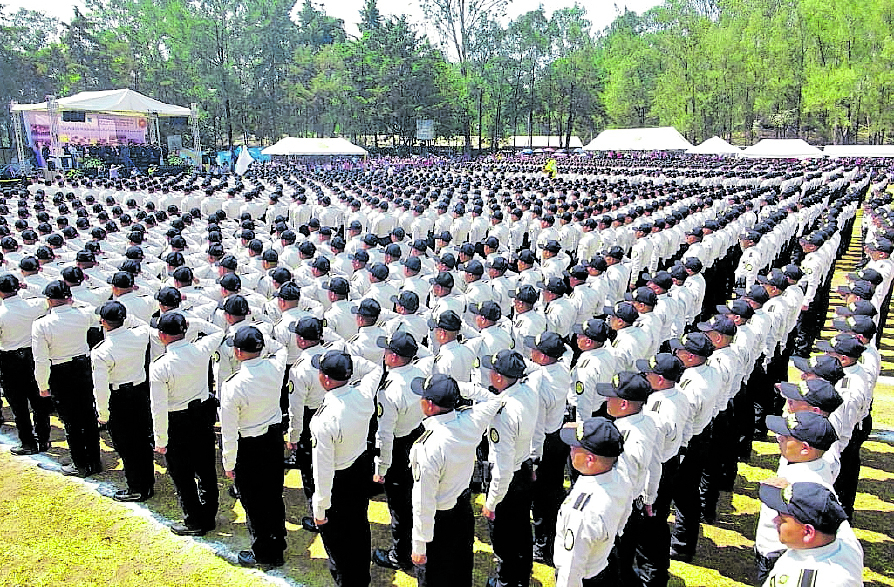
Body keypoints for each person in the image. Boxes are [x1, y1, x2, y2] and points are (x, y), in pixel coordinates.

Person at [408, 374, 501, 587]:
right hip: (462, 511)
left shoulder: (427, 446)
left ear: (430, 405)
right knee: (460, 573)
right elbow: (494, 400)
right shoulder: (470, 421)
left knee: (435, 579)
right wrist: (455, 389)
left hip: (438, 523)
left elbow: (424, 502)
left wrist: (419, 546)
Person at [462, 349, 539, 587]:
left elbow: (503, 466)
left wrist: (491, 502)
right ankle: (521, 577)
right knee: (523, 532)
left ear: (498, 376)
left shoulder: (502, 414)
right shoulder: (528, 391)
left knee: (505, 537)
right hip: (524, 467)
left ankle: (506, 581)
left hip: (508, 480)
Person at [310, 350, 383, 587]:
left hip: (338, 481)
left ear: (326, 379)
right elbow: (375, 369)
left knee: (339, 546)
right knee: (359, 528)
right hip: (360, 469)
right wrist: (350, 361)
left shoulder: (323, 419)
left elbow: (323, 471)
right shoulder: (362, 394)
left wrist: (320, 508)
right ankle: (361, 578)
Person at [149, 312, 225, 536]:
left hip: (177, 421)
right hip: (202, 416)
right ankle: (209, 515)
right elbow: (218, 332)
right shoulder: (200, 349)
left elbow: (158, 407)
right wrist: (196, 323)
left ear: (162, 336)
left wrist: (160, 439)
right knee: (206, 468)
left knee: (182, 474)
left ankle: (194, 520)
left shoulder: (160, 366)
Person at [220, 325, 288, 567]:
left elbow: (228, 430)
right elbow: (279, 347)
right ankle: (278, 542)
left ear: (238, 352)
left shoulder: (232, 385)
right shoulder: (275, 366)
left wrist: (228, 462)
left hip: (248, 446)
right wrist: (261, 341)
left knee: (254, 502)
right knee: (272, 494)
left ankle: (265, 553)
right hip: (272, 440)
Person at [754, 412, 839, 584]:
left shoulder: (809, 484)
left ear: (805, 448)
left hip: (781, 552)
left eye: (786, 437)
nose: (779, 439)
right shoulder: (802, 464)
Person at [32, 280, 102, 477]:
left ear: (48, 300)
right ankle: (94, 461)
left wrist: (42, 384)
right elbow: (90, 309)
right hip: (83, 367)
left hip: (60, 371)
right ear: (69, 298)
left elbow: (41, 359)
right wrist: (72, 301)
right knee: (88, 416)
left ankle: (80, 463)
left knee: (71, 421)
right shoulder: (82, 314)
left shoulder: (41, 324)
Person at [371, 332, 427, 571]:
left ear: (393, 356)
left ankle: (400, 555)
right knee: (416, 499)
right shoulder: (419, 374)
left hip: (399, 447)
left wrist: (381, 467)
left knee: (400, 507)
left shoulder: (389, 389)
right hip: (418, 437)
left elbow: (385, 433)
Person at [554, 417, 631, 587]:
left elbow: (571, 571)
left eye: (576, 447)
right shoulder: (620, 477)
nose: (571, 449)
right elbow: (623, 518)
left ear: (590, 459)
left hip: (585, 578)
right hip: (604, 560)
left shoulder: (582, 513)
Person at [91, 301, 154, 501]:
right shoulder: (140, 335)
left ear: (103, 322)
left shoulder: (101, 350)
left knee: (127, 445)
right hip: (140, 393)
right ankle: (147, 482)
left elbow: (100, 387)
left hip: (119, 398)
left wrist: (102, 414)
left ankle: (137, 487)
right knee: (142, 440)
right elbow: (141, 324)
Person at [758, 480, 863, 587]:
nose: (775, 520)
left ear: (808, 532)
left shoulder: (813, 580)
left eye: (783, 519)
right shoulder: (843, 539)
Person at [0, 274, 52, 456]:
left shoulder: (1, 312)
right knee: (39, 401)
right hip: (34, 356)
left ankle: (28, 442)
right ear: (18, 287)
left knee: (19, 405)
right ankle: (43, 439)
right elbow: (48, 295)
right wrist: (28, 286)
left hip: (10, 360)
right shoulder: (33, 305)